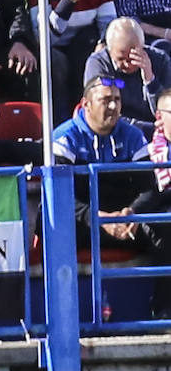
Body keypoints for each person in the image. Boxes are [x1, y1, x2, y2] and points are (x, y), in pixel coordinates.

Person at [53, 77, 152, 252]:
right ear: (86, 104)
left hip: (123, 219)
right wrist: (98, 218)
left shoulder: (134, 136)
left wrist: (133, 211)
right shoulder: (64, 138)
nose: (113, 106)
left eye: (117, 99)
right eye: (105, 100)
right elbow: (58, 195)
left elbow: (148, 187)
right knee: (55, 224)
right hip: (82, 221)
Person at [84, 17, 171, 134]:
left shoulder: (160, 60)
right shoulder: (99, 64)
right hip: (116, 132)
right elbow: (102, 114)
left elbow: (165, 112)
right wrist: (148, 129)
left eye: (132, 58)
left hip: (157, 132)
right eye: (120, 59)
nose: (127, 64)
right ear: (110, 50)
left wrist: (150, 79)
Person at [32, 0, 114, 119]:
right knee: (57, 62)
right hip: (53, 47)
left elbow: (108, 24)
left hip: (85, 43)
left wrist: (103, 43)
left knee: (94, 58)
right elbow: (43, 38)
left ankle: (91, 115)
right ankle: (60, 119)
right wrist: (68, 2)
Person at [129, 86, 171, 317]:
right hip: (154, 215)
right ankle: (163, 307)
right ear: (159, 117)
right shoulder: (146, 150)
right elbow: (148, 194)